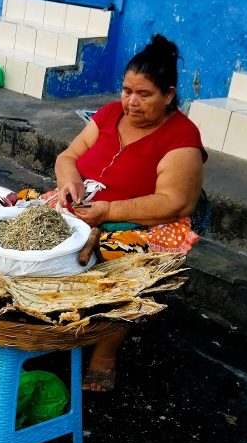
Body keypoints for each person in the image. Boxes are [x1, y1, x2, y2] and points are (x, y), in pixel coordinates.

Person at [52, 33, 207, 392]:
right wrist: (69, 183)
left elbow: (176, 203)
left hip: (141, 225)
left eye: (144, 94)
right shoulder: (107, 114)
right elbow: (67, 157)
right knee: (19, 224)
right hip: (83, 207)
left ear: (169, 95)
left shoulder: (181, 137)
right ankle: (45, 326)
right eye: (126, 91)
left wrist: (108, 210)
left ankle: (104, 354)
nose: (131, 102)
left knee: (120, 269)